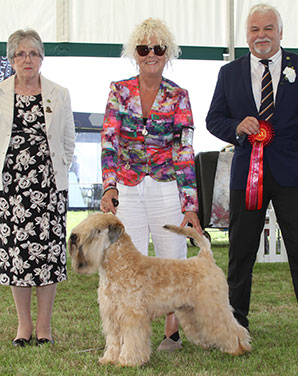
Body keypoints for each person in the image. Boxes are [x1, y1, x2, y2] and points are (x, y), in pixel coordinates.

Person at [100, 18, 202, 351]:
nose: (151, 55)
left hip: (166, 187)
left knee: (172, 260)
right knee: (130, 265)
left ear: (167, 52)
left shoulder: (179, 96)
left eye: (158, 48)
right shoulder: (119, 90)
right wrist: (109, 187)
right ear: (135, 53)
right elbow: (108, 141)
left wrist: (190, 205)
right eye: (144, 49)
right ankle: (133, 334)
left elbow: (185, 150)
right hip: (127, 188)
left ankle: (171, 333)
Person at [206, 3, 298, 331]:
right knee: (240, 254)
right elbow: (213, 119)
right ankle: (235, 324)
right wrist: (236, 126)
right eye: (254, 29)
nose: (261, 35)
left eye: (268, 29)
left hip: (294, 177)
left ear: (280, 33)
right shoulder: (229, 73)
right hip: (247, 176)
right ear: (246, 35)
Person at [0, 29, 75, 346]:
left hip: (48, 188)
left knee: (47, 257)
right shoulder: (1, 92)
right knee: (18, 257)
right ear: (11, 59)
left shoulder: (59, 93)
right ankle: (23, 327)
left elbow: (69, 141)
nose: (27, 59)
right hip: (11, 189)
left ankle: (44, 327)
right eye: (20, 54)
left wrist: (56, 169)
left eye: (33, 54)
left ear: (42, 58)